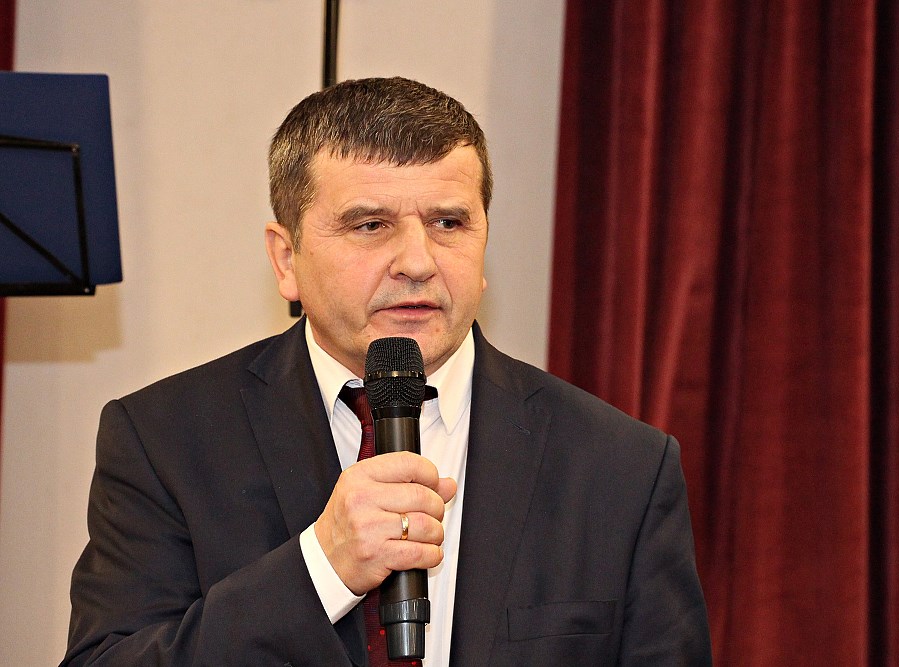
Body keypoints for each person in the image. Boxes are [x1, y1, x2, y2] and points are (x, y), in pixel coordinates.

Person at [62, 77, 711, 666]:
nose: (418, 262)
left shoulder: (622, 467)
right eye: (371, 225)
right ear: (286, 259)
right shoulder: (164, 439)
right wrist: (322, 570)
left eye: (449, 223)